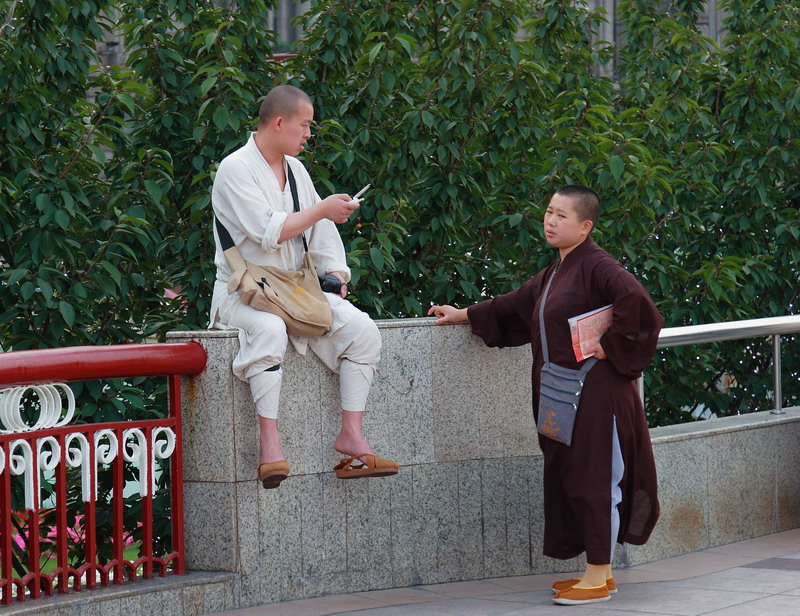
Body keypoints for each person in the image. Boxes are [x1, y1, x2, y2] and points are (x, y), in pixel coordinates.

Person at [428, 186, 663, 606]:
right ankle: (601, 572)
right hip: (567, 394)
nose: (550, 222)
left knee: (596, 481)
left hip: (599, 395)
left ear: (585, 226)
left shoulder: (599, 266)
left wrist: (612, 346)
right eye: (549, 213)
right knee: (576, 478)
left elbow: (639, 304)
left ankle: (596, 577)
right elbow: (514, 306)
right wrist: (460, 314)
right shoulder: (557, 270)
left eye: (561, 216)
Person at [209, 84, 398, 489]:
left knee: (363, 331)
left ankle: (351, 435)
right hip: (242, 292)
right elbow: (269, 231)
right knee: (270, 328)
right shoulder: (234, 168)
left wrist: (336, 276)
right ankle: (270, 445)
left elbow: (321, 232)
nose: (309, 134)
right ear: (279, 123)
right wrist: (323, 208)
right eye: (305, 125)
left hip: (295, 291)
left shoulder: (295, 170)